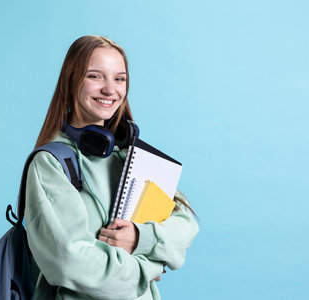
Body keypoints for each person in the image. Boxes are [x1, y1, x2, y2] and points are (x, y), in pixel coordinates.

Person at [25, 35, 199, 300]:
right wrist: (148, 267)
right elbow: (70, 260)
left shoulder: (130, 155)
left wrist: (142, 237)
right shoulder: (51, 163)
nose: (110, 90)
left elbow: (185, 224)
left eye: (119, 79)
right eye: (95, 76)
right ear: (72, 81)